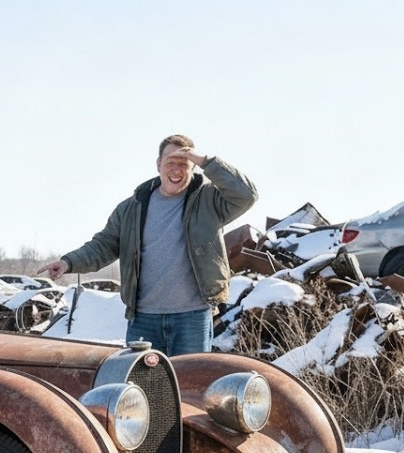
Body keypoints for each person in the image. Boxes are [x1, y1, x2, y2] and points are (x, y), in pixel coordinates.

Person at [38, 134, 257, 355]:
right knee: (142, 385)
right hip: (144, 319)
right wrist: (69, 262)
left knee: (190, 384)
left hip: (193, 317)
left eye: (184, 164)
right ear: (158, 165)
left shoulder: (209, 201)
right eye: (170, 162)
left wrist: (206, 161)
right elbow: (103, 245)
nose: (176, 170)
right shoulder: (133, 207)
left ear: (194, 167)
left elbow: (247, 195)